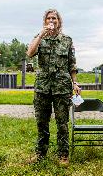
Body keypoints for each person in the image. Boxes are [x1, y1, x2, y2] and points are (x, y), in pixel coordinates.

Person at [26, 9, 80, 165]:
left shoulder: (67, 40)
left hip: (61, 87)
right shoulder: (39, 38)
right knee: (41, 122)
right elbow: (30, 53)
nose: (51, 20)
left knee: (62, 123)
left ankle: (63, 154)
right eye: (48, 18)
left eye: (54, 18)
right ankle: (40, 153)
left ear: (59, 21)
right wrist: (41, 34)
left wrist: (75, 82)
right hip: (42, 87)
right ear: (45, 21)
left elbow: (72, 64)